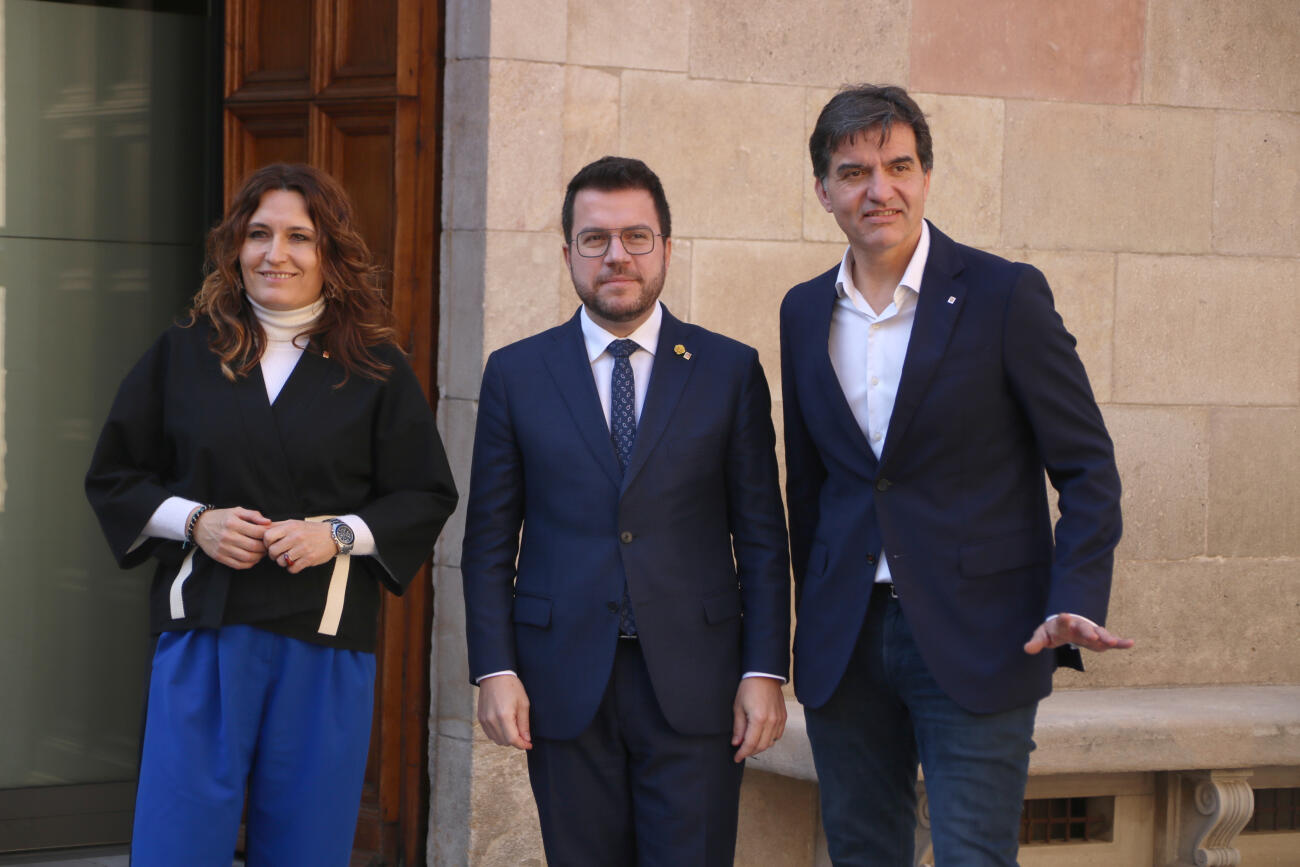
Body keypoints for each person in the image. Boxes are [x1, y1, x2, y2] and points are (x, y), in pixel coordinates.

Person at [780, 85, 1133, 866]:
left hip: (981, 635)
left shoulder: (1005, 295)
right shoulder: (802, 312)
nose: (880, 189)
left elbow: (1086, 466)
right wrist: (808, 622)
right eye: (855, 171)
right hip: (846, 646)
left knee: (975, 855)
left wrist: (1073, 595)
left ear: (927, 176)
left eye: (899, 165)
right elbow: (808, 489)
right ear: (824, 191)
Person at [84, 163, 458, 866]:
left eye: (298, 236)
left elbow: (425, 493)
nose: (274, 253)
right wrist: (197, 522)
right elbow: (113, 475)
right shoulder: (183, 352)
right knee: (176, 840)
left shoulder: (376, 367)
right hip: (204, 629)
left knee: (307, 845)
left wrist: (336, 533)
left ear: (331, 254)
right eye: (258, 233)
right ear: (234, 246)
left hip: (324, 635)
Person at [461, 156, 790, 866]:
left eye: (637, 236)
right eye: (595, 239)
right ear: (568, 253)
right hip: (560, 682)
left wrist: (765, 667)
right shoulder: (516, 373)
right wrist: (494, 668)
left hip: (699, 684)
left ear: (666, 249)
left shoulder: (729, 371)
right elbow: (488, 539)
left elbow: (762, 538)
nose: (617, 255)